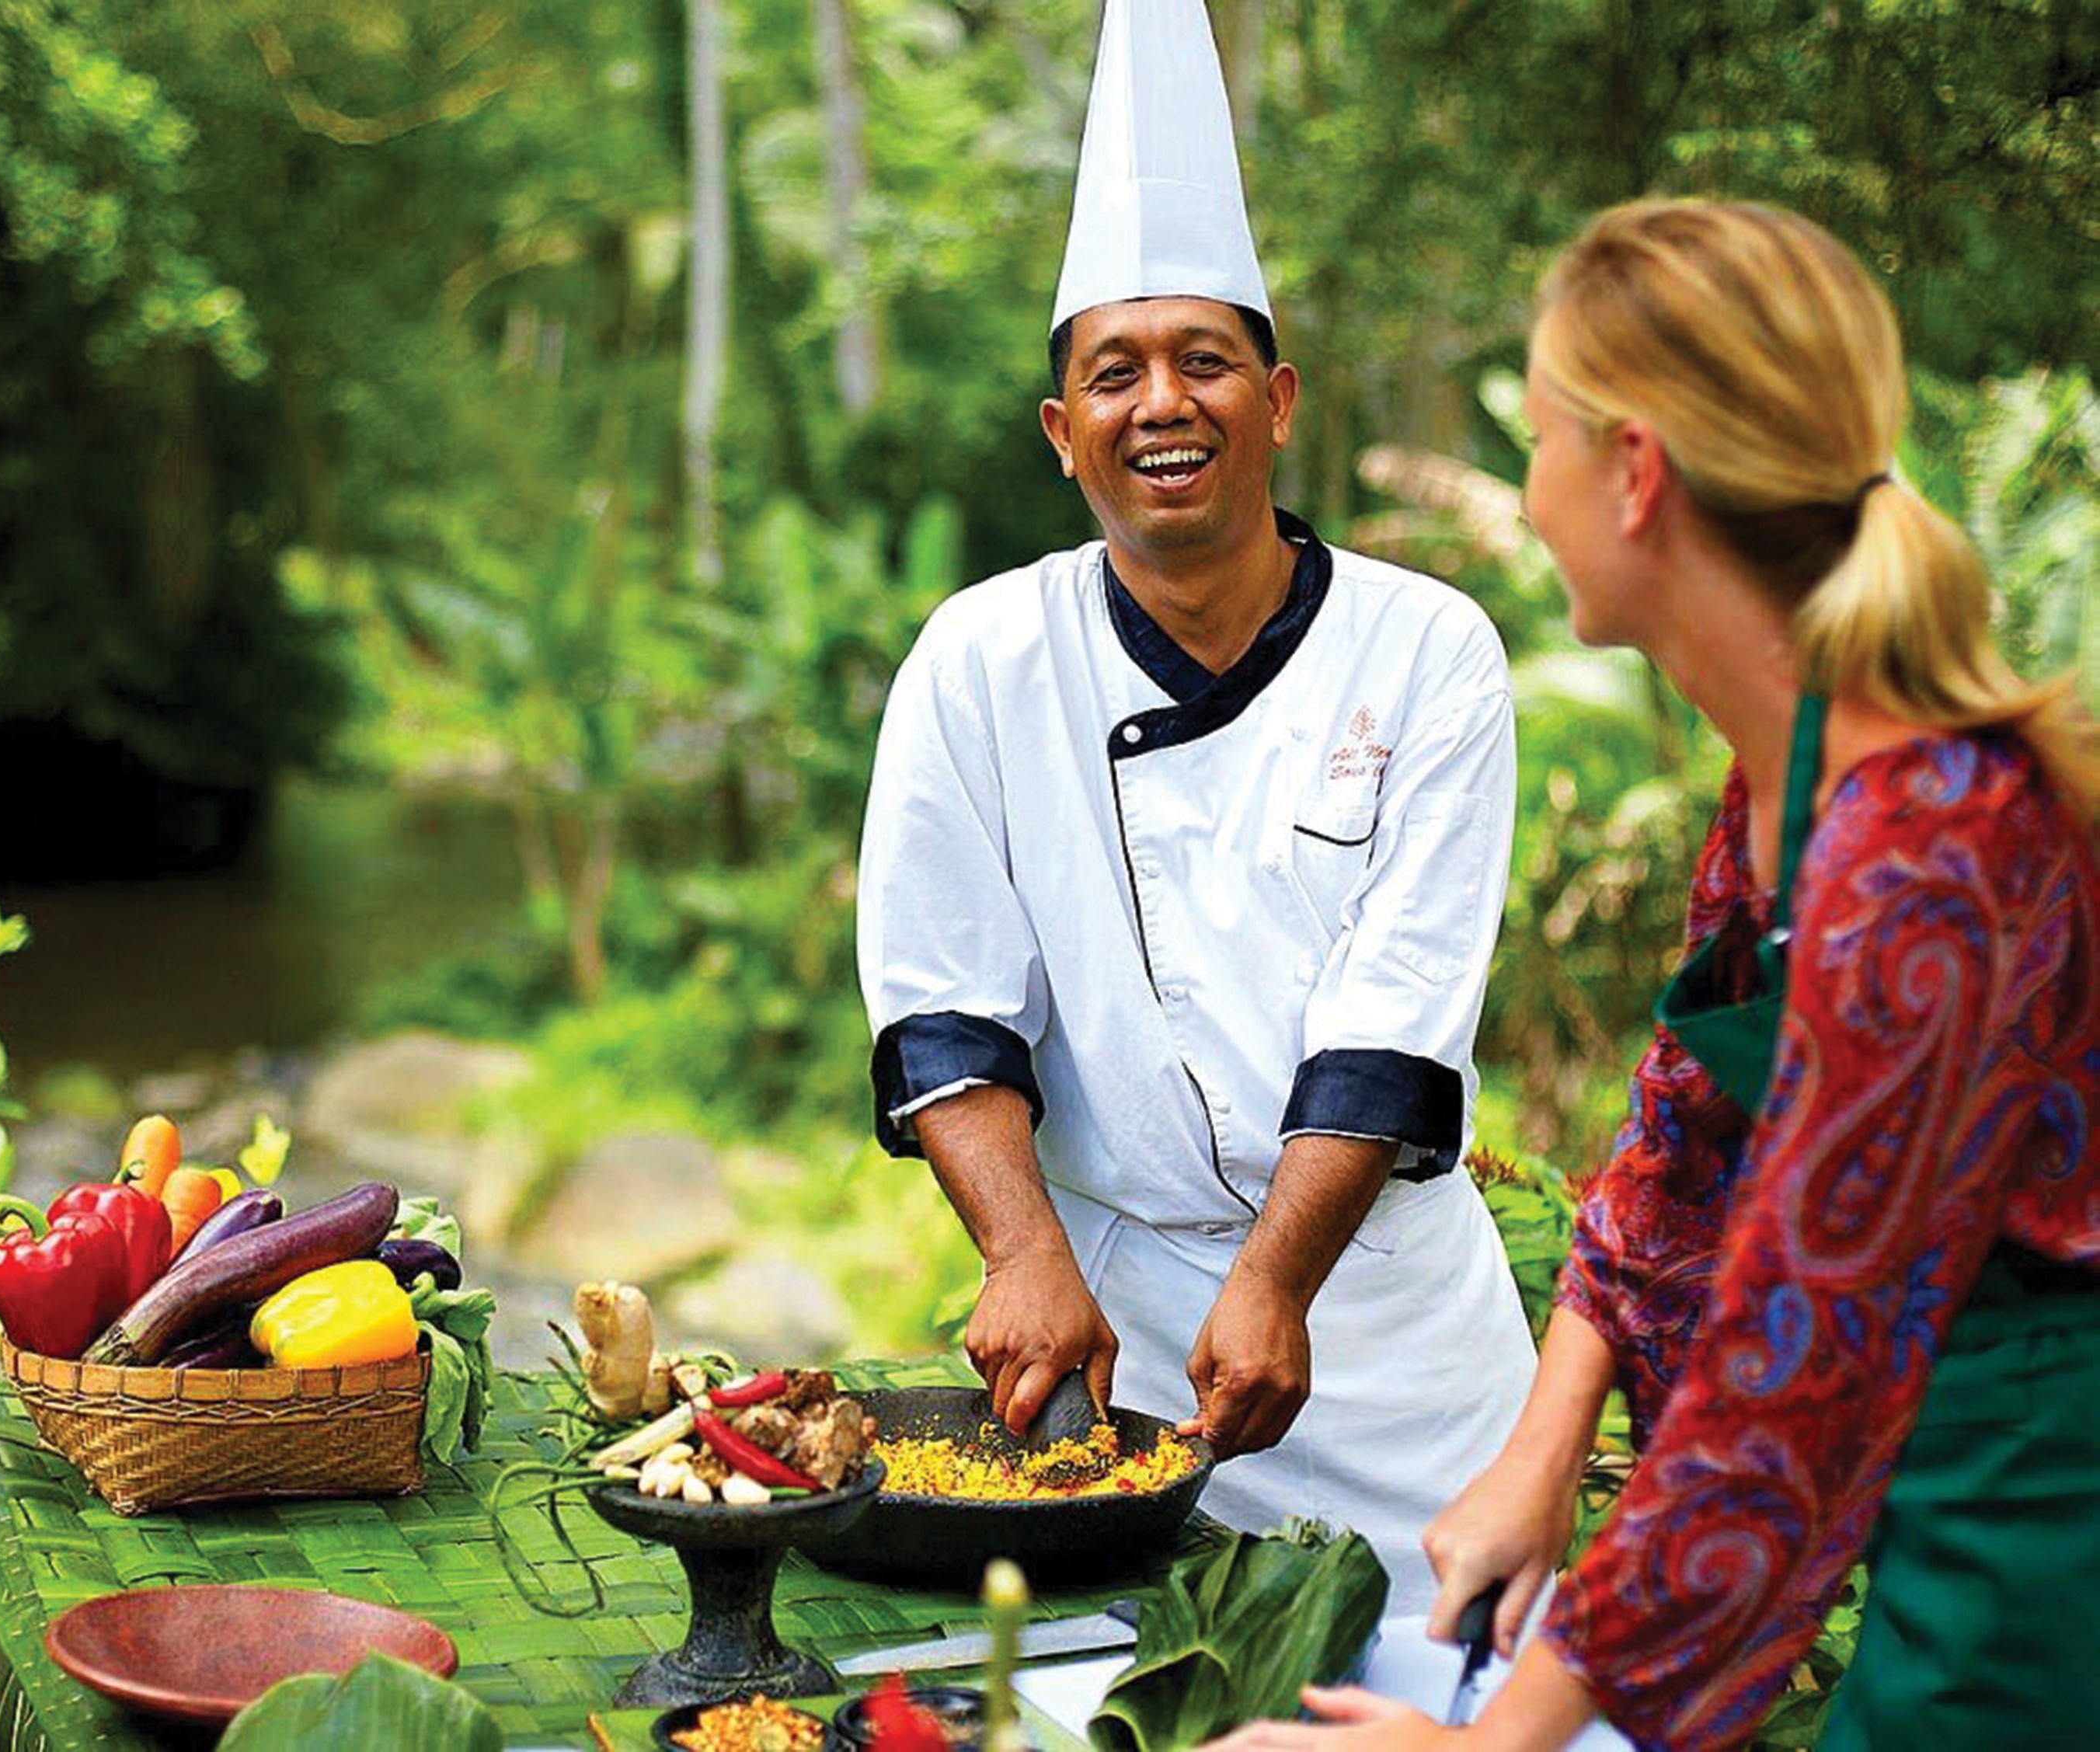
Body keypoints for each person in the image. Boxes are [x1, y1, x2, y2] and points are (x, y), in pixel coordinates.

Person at [1210, 197, 2100, 1750]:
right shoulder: (1778, 792)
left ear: (1635, 474)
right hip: (1930, 1482)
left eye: (1541, 432)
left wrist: (1489, 1749)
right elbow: (1680, 1148)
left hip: (2047, 1538)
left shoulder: (1931, 858)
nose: (1526, 487)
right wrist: (1543, 1458)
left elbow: (1795, 1394)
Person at [854, 0, 1534, 1611]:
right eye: (1117, 371)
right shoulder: (978, 660)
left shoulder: (1428, 650)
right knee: (1125, 1693)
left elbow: (1393, 1015)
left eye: (1203, 360)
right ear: (1062, 432)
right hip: (1122, 1341)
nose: (1162, 399)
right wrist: (1023, 1252)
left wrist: (1280, 1276)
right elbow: (945, 1004)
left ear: (1279, 401)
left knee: (1471, 1683)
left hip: (1390, 1336)